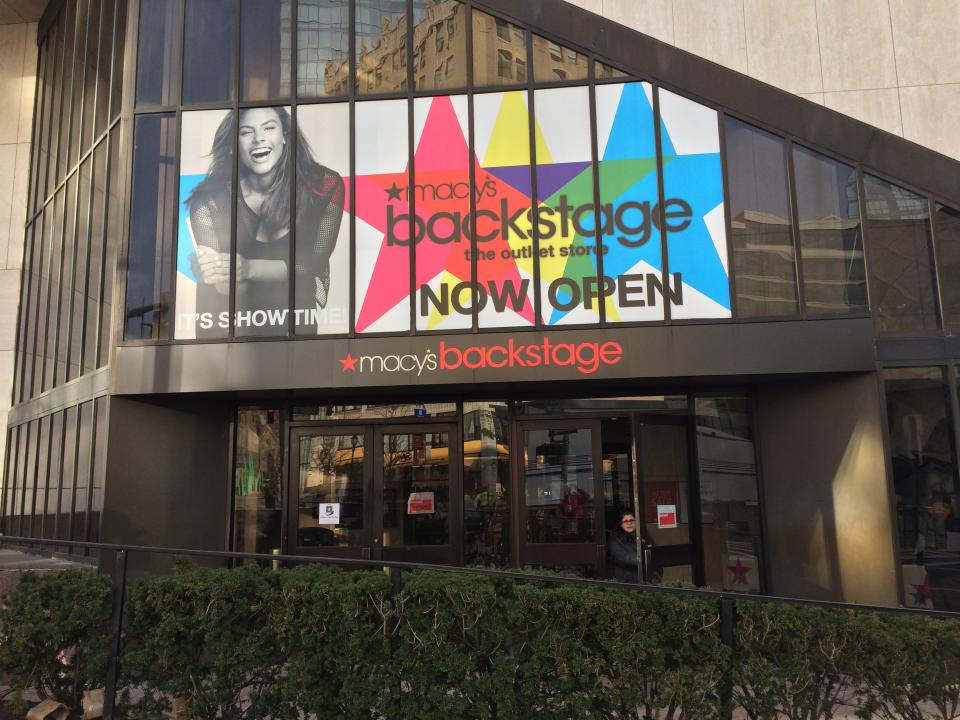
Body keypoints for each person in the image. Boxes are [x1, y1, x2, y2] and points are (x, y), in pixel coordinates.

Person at [186, 106, 345, 334]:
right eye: (246, 132)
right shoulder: (208, 201)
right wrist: (213, 273)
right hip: (234, 332)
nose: (259, 138)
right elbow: (223, 289)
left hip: (296, 328)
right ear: (233, 146)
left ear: (285, 137)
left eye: (269, 128)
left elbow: (312, 263)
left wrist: (249, 268)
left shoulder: (323, 186)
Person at [608, 510, 655, 583]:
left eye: (631, 520)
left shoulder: (644, 535)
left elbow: (653, 551)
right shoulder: (615, 540)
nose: (629, 523)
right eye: (626, 521)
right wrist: (644, 559)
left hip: (645, 578)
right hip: (624, 580)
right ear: (621, 524)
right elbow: (625, 557)